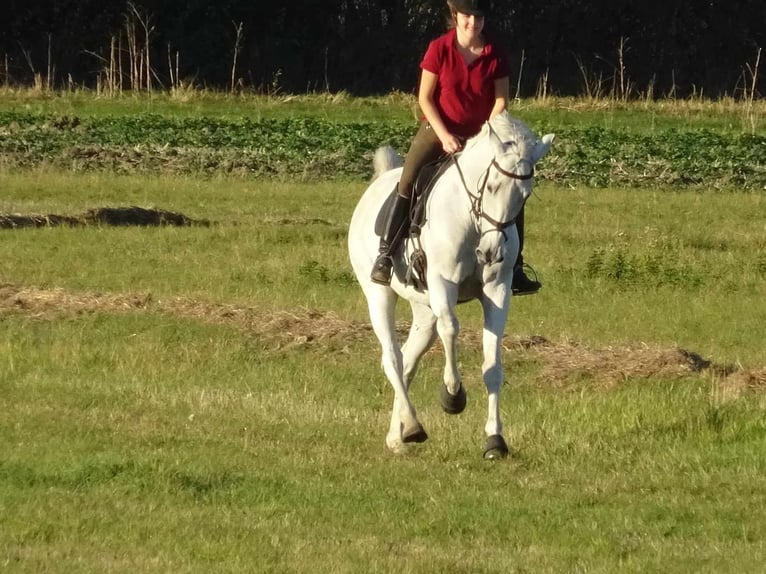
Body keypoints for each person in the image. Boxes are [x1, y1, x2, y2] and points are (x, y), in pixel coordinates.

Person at [370, 0, 541, 296]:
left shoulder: (494, 54)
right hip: (438, 130)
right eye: (467, 17)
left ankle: (515, 266)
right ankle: (385, 253)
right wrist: (445, 135)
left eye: (478, 18)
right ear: (455, 17)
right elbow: (425, 98)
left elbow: (501, 101)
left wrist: (488, 134)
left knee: (511, 187)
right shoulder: (440, 48)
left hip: (482, 135)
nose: (473, 23)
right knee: (409, 178)